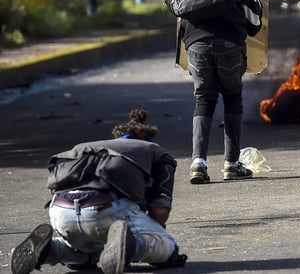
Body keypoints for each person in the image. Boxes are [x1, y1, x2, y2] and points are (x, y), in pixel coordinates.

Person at [10, 109, 187, 274]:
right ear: (149, 139)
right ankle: (131, 245)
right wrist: (153, 231)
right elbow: (160, 210)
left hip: (60, 209)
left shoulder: (86, 146)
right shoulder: (156, 152)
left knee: (83, 254)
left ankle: (48, 251)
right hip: (106, 206)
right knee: (168, 247)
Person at [181, 0, 263, 184]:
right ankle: (231, 164)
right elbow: (255, 24)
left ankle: (198, 163)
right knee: (232, 96)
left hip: (195, 45)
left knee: (204, 100)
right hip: (229, 44)